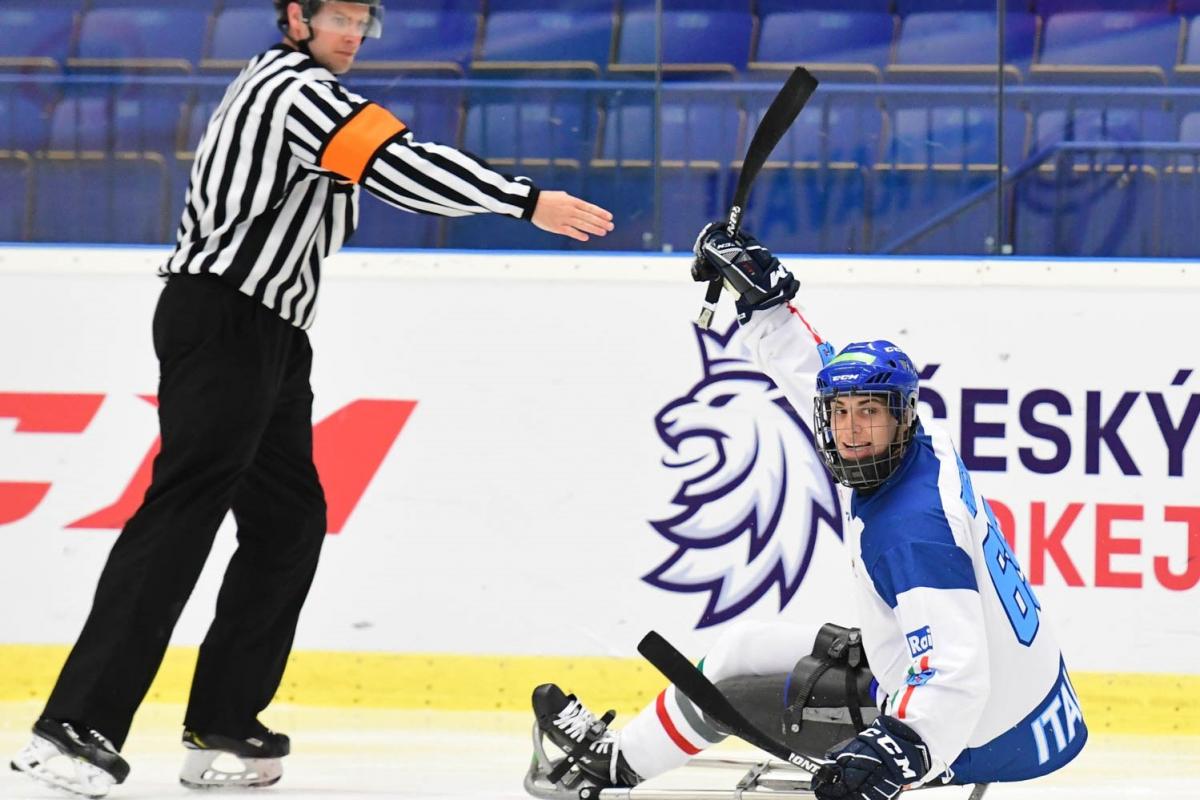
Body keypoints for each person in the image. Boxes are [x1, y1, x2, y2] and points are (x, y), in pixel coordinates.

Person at [10, 1, 613, 797]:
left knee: (289, 519)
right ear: (295, 17)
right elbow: (398, 163)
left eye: (364, 22)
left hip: (270, 330)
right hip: (226, 314)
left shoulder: (294, 85)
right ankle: (74, 728)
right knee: (182, 509)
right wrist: (525, 200)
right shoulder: (299, 91)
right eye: (338, 19)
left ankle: (222, 720)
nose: (353, 36)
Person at [528, 224, 1087, 800]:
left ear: (899, 414)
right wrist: (765, 306)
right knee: (739, 651)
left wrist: (898, 748)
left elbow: (954, 674)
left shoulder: (910, 531)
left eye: (868, 412)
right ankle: (617, 757)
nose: (850, 430)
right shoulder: (919, 445)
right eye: (841, 412)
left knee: (738, 697)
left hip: (987, 733)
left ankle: (601, 775)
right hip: (1033, 695)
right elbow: (814, 375)